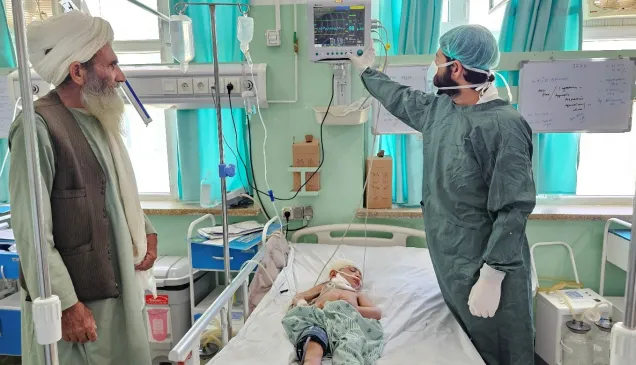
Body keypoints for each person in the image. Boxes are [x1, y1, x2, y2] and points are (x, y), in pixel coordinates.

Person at [350, 25, 536, 365]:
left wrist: (492, 275)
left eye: (437, 62)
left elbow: (513, 209)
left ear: (457, 69)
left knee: (499, 349)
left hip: (487, 269)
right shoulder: (442, 110)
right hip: (452, 262)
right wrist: (366, 71)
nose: (433, 69)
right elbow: (401, 98)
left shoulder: (503, 125)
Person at [9, 11, 158, 365]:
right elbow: (31, 233)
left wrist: (146, 230)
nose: (120, 76)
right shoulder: (38, 129)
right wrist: (66, 305)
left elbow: (113, 194)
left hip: (118, 291)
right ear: (78, 72)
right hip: (79, 310)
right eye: (111, 65)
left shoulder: (98, 119)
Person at [282, 259, 383, 365]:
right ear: (334, 273)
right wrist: (304, 304)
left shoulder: (356, 294)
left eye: (360, 275)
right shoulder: (327, 287)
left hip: (347, 325)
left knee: (351, 342)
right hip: (322, 321)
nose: (358, 275)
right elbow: (299, 296)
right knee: (314, 336)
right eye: (353, 270)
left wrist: (352, 308)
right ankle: (311, 361)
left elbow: (376, 312)